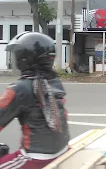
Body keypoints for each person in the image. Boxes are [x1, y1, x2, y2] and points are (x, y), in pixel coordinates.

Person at [0, 31, 70, 168]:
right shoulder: (53, 81)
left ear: (26, 59)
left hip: (37, 158)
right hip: (63, 150)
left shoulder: (20, 88)